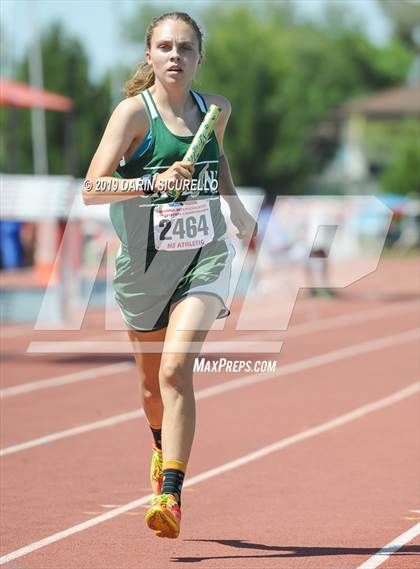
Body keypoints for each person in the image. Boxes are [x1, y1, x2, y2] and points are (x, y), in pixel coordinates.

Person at [83, 12, 257, 539]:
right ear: (150, 56)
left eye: (185, 47)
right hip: (145, 265)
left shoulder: (216, 110)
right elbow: (93, 188)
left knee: (176, 370)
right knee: (150, 387)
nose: (175, 55)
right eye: (165, 47)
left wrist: (236, 207)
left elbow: (216, 159)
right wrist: (154, 181)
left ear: (200, 56)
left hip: (204, 255)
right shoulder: (133, 115)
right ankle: (160, 447)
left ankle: (171, 496)